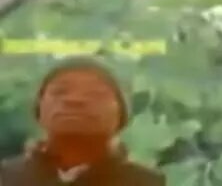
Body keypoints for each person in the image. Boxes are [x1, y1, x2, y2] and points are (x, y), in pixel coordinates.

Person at [0, 56, 165, 185]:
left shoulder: (148, 182)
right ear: (39, 109)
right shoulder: (6, 177)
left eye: (96, 94)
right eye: (60, 91)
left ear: (120, 114)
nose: (75, 100)